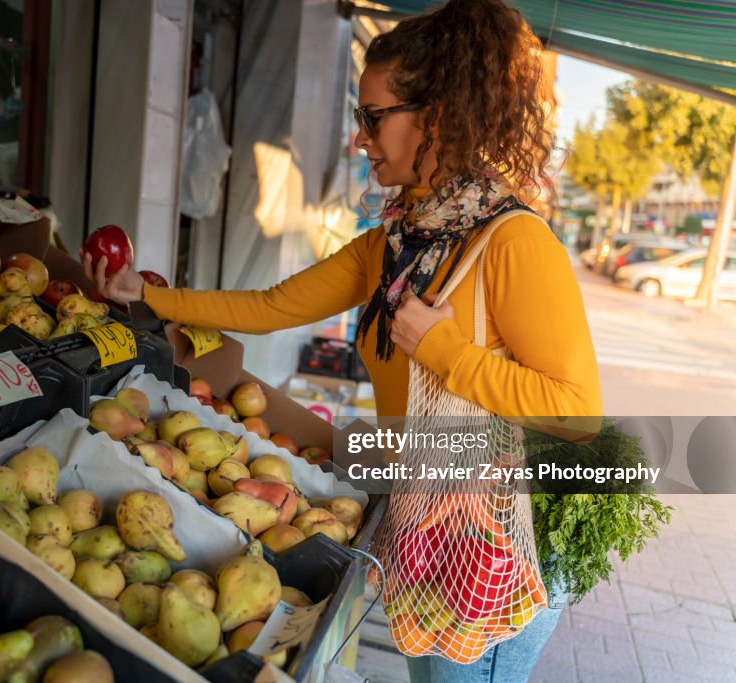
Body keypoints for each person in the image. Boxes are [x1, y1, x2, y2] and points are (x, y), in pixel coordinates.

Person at [85, 0, 601, 679]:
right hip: (435, 523)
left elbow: (577, 410)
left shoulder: (515, 242)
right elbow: (271, 304)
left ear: (437, 116)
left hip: (495, 544)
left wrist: (443, 349)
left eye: (372, 116)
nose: (360, 138)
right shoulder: (400, 243)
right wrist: (145, 293)